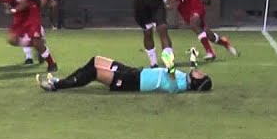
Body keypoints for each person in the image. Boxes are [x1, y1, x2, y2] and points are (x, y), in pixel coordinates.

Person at [36, 55, 212, 94]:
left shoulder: (181, 85)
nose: (200, 71)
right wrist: (193, 61)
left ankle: (56, 85)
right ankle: (64, 80)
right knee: (95, 60)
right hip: (135, 72)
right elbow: (192, 69)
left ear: (197, 82)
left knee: (95, 72)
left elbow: (172, 86)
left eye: (201, 74)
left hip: (132, 82)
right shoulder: (186, 77)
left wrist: (171, 66)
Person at [173, 0, 237, 61]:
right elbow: (168, 2)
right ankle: (224, 42)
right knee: (207, 34)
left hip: (196, 6)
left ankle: (210, 51)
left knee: (194, 23)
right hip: (185, 12)